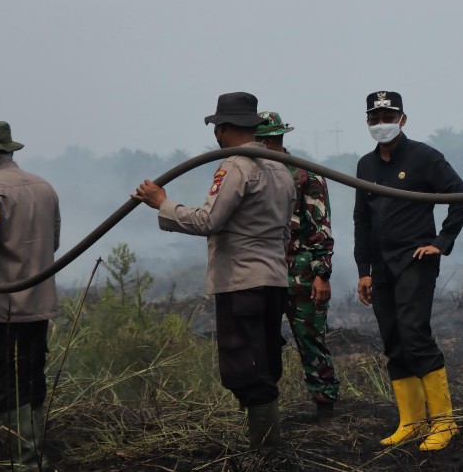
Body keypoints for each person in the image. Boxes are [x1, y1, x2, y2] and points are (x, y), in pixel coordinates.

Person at [132, 92, 296, 449]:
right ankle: (265, 445)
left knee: (246, 367)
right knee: (264, 361)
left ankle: (265, 451)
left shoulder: (236, 166)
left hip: (241, 283)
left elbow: (210, 220)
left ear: (222, 128)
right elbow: (286, 231)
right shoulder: (281, 168)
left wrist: (163, 203)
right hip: (272, 282)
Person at [353, 91, 463, 451]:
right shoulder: (365, 166)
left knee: (414, 332)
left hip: (416, 260)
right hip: (382, 265)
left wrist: (442, 241)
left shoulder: (424, 157)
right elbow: (362, 219)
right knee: (393, 339)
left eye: (388, 117)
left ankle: (445, 423)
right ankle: (412, 422)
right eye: (375, 118)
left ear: (403, 119)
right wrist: (364, 269)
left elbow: (460, 194)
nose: (381, 124)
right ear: (368, 122)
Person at [0, 120, 60, 472]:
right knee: (32, 373)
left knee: (3, 376)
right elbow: (54, 241)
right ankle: (33, 454)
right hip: (38, 304)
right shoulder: (44, 186)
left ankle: (23, 459)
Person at [255, 111, 340, 423]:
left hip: (300, 270)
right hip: (262, 269)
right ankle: (266, 410)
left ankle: (325, 407)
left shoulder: (305, 175)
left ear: (270, 138)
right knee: (262, 341)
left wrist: (322, 274)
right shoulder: (252, 174)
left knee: (310, 338)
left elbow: (320, 227)